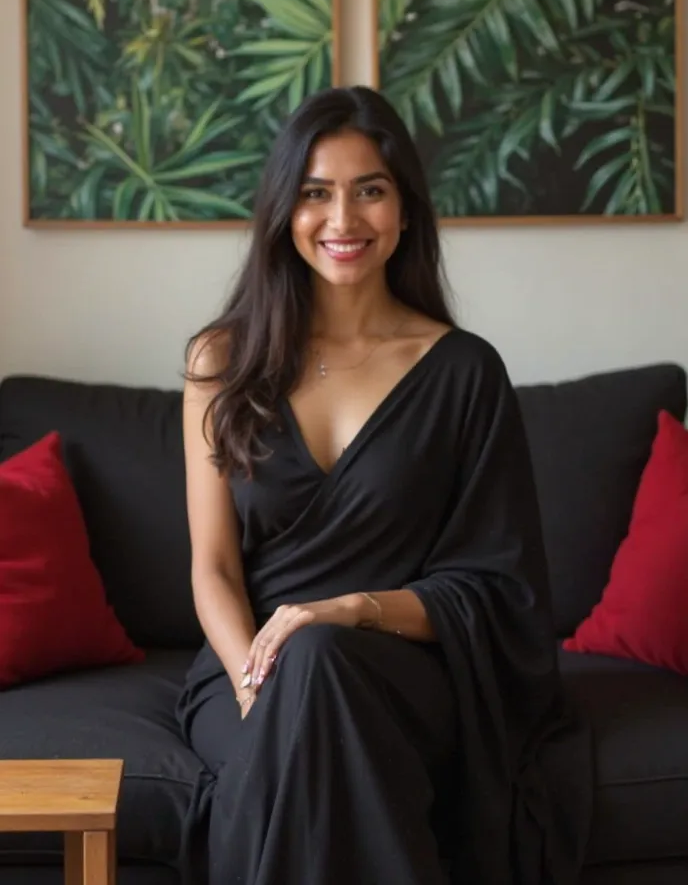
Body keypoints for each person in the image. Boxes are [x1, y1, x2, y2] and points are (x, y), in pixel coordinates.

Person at [176, 85, 591, 885]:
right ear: (282, 211)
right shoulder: (218, 362)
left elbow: (499, 588)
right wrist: (257, 681)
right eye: (316, 193)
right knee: (313, 684)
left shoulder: (465, 370)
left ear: (404, 209)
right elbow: (214, 570)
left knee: (327, 664)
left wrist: (350, 611)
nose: (343, 220)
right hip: (245, 671)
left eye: (369, 190)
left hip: (404, 669)